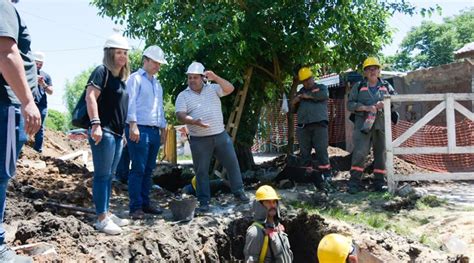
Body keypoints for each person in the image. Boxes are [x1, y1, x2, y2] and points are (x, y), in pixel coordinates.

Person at [175, 62, 249, 212]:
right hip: (199, 139)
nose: (192, 80)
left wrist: (215, 77)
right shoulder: (183, 95)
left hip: (220, 135)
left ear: (203, 77)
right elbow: (179, 115)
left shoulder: (213, 88)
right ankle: (204, 202)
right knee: (201, 171)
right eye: (190, 77)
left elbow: (230, 88)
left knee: (232, 163)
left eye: (195, 77)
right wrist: (194, 121)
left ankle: (239, 192)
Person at [0, 0, 41, 261]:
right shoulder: (4, 6)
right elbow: (6, 52)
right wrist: (27, 100)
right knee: (0, 175)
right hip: (6, 105)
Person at [85, 33, 131, 234]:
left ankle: (107, 212)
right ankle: (101, 218)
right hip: (103, 132)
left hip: (118, 134)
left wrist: (125, 133)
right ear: (109, 54)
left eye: (125, 53)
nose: (122, 56)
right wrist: (95, 124)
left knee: (109, 175)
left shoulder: (121, 79)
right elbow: (90, 97)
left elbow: (120, 109)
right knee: (102, 175)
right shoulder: (101, 71)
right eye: (118, 52)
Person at [125, 45, 168, 219]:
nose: (158, 66)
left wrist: (163, 129)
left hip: (154, 130)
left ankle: (145, 203)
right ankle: (135, 207)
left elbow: (160, 109)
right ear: (146, 60)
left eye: (160, 63)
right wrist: (132, 125)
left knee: (149, 169)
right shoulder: (135, 79)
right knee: (138, 169)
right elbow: (130, 103)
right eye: (156, 62)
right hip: (139, 129)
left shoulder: (157, 84)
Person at [347, 57, 398, 194]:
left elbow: (396, 100)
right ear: (364, 72)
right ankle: (354, 182)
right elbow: (350, 104)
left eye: (375, 68)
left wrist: (385, 103)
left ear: (379, 70)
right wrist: (364, 107)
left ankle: (379, 182)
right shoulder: (358, 86)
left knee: (381, 154)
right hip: (363, 126)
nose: (372, 71)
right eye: (369, 69)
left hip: (381, 125)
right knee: (360, 153)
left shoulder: (386, 86)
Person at [291, 67, 332, 191]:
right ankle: (307, 178)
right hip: (303, 127)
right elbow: (293, 110)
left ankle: (327, 177)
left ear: (313, 77)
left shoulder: (321, 88)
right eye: (304, 80)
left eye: (309, 79)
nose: (307, 82)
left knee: (321, 151)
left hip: (319, 126)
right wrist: (294, 101)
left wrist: (307, 96)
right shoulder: (299, 92)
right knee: (304, 154)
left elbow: (324, 95)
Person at [243, 185, 293, 262]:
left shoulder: (278, 227)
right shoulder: (255, 232)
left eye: (274, 202)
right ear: (259, 205)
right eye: (268, 202)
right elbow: (251, 260)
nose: (272, 205)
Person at [31, 51, 53, 153]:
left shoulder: (46, 76)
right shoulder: (26, 73)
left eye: (41, 64)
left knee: (39, 127)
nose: (39, 66)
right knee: (22, 124)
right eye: (37, 63)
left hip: (41, 105)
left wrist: (43, 84)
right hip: (29, 103)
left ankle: (38, 150)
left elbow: (51, 91)